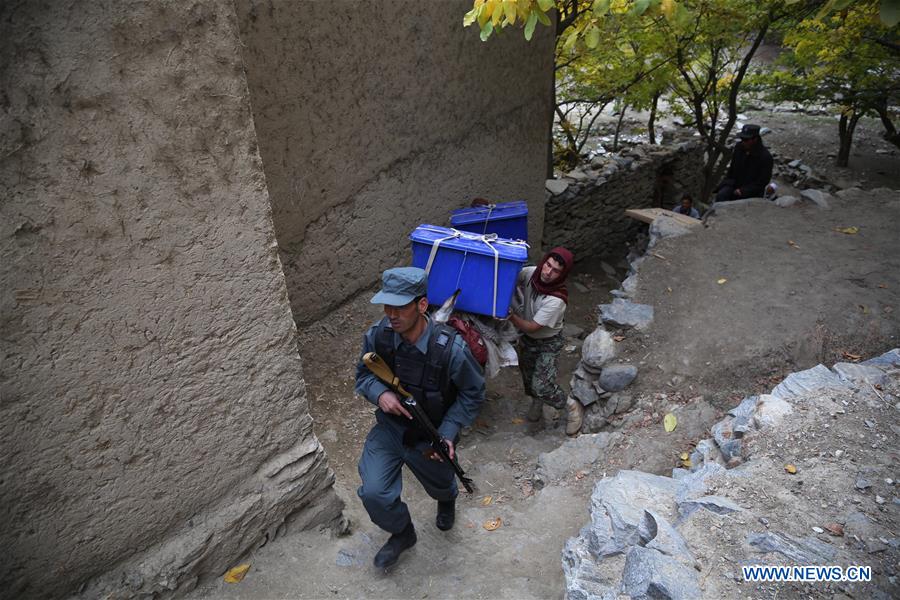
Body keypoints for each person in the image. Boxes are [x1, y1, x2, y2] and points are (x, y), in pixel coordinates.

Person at [355, 267, 485, 570]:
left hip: (432, 434)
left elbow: (473, 393)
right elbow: (363, 374)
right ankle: (402, 534)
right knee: (374, 492)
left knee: (441, 481)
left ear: (422, 305)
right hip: (391, 429)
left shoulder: (451, 350)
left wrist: (450, 432)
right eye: (387, 306)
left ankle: (446, 499)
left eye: (399, 307)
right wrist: (380, 394)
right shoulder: (380, 336)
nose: (391, 314)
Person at [507, 247, 583, 436]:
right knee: (528, 377)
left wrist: (511, 316)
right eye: (548, 265)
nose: (548, 272)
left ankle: (571, 406)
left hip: (547, 342)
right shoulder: (532, 273)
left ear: (562, 274)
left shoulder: (556, 300)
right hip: (527, 340)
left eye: (555, 270)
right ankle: (537, 401)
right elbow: (512, 278)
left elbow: (533, 327)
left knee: (542, 385)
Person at [715, 124, 774, 203]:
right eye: (742, 139)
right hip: (734, 184)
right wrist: (727, 183)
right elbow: (732, 169)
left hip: (751, 191)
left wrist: (744, 190)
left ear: (755, 139)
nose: (743, 142)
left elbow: (762, 182)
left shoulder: (765, 157)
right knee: (721, 196)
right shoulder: (739, 148)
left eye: (746, 140)